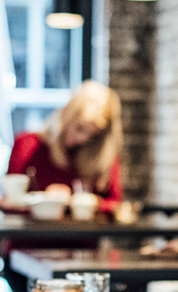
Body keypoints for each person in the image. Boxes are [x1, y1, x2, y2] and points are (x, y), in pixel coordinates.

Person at [7, 79, 123, 213]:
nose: (83, 139)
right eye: (79, 128)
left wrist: (86, 202)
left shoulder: (102, 155)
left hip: (81, 233)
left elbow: (115, 204)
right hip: (35, 233)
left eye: (93, 136)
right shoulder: (27, 145)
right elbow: (10, 205)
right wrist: (46, 201)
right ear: (67, 113)